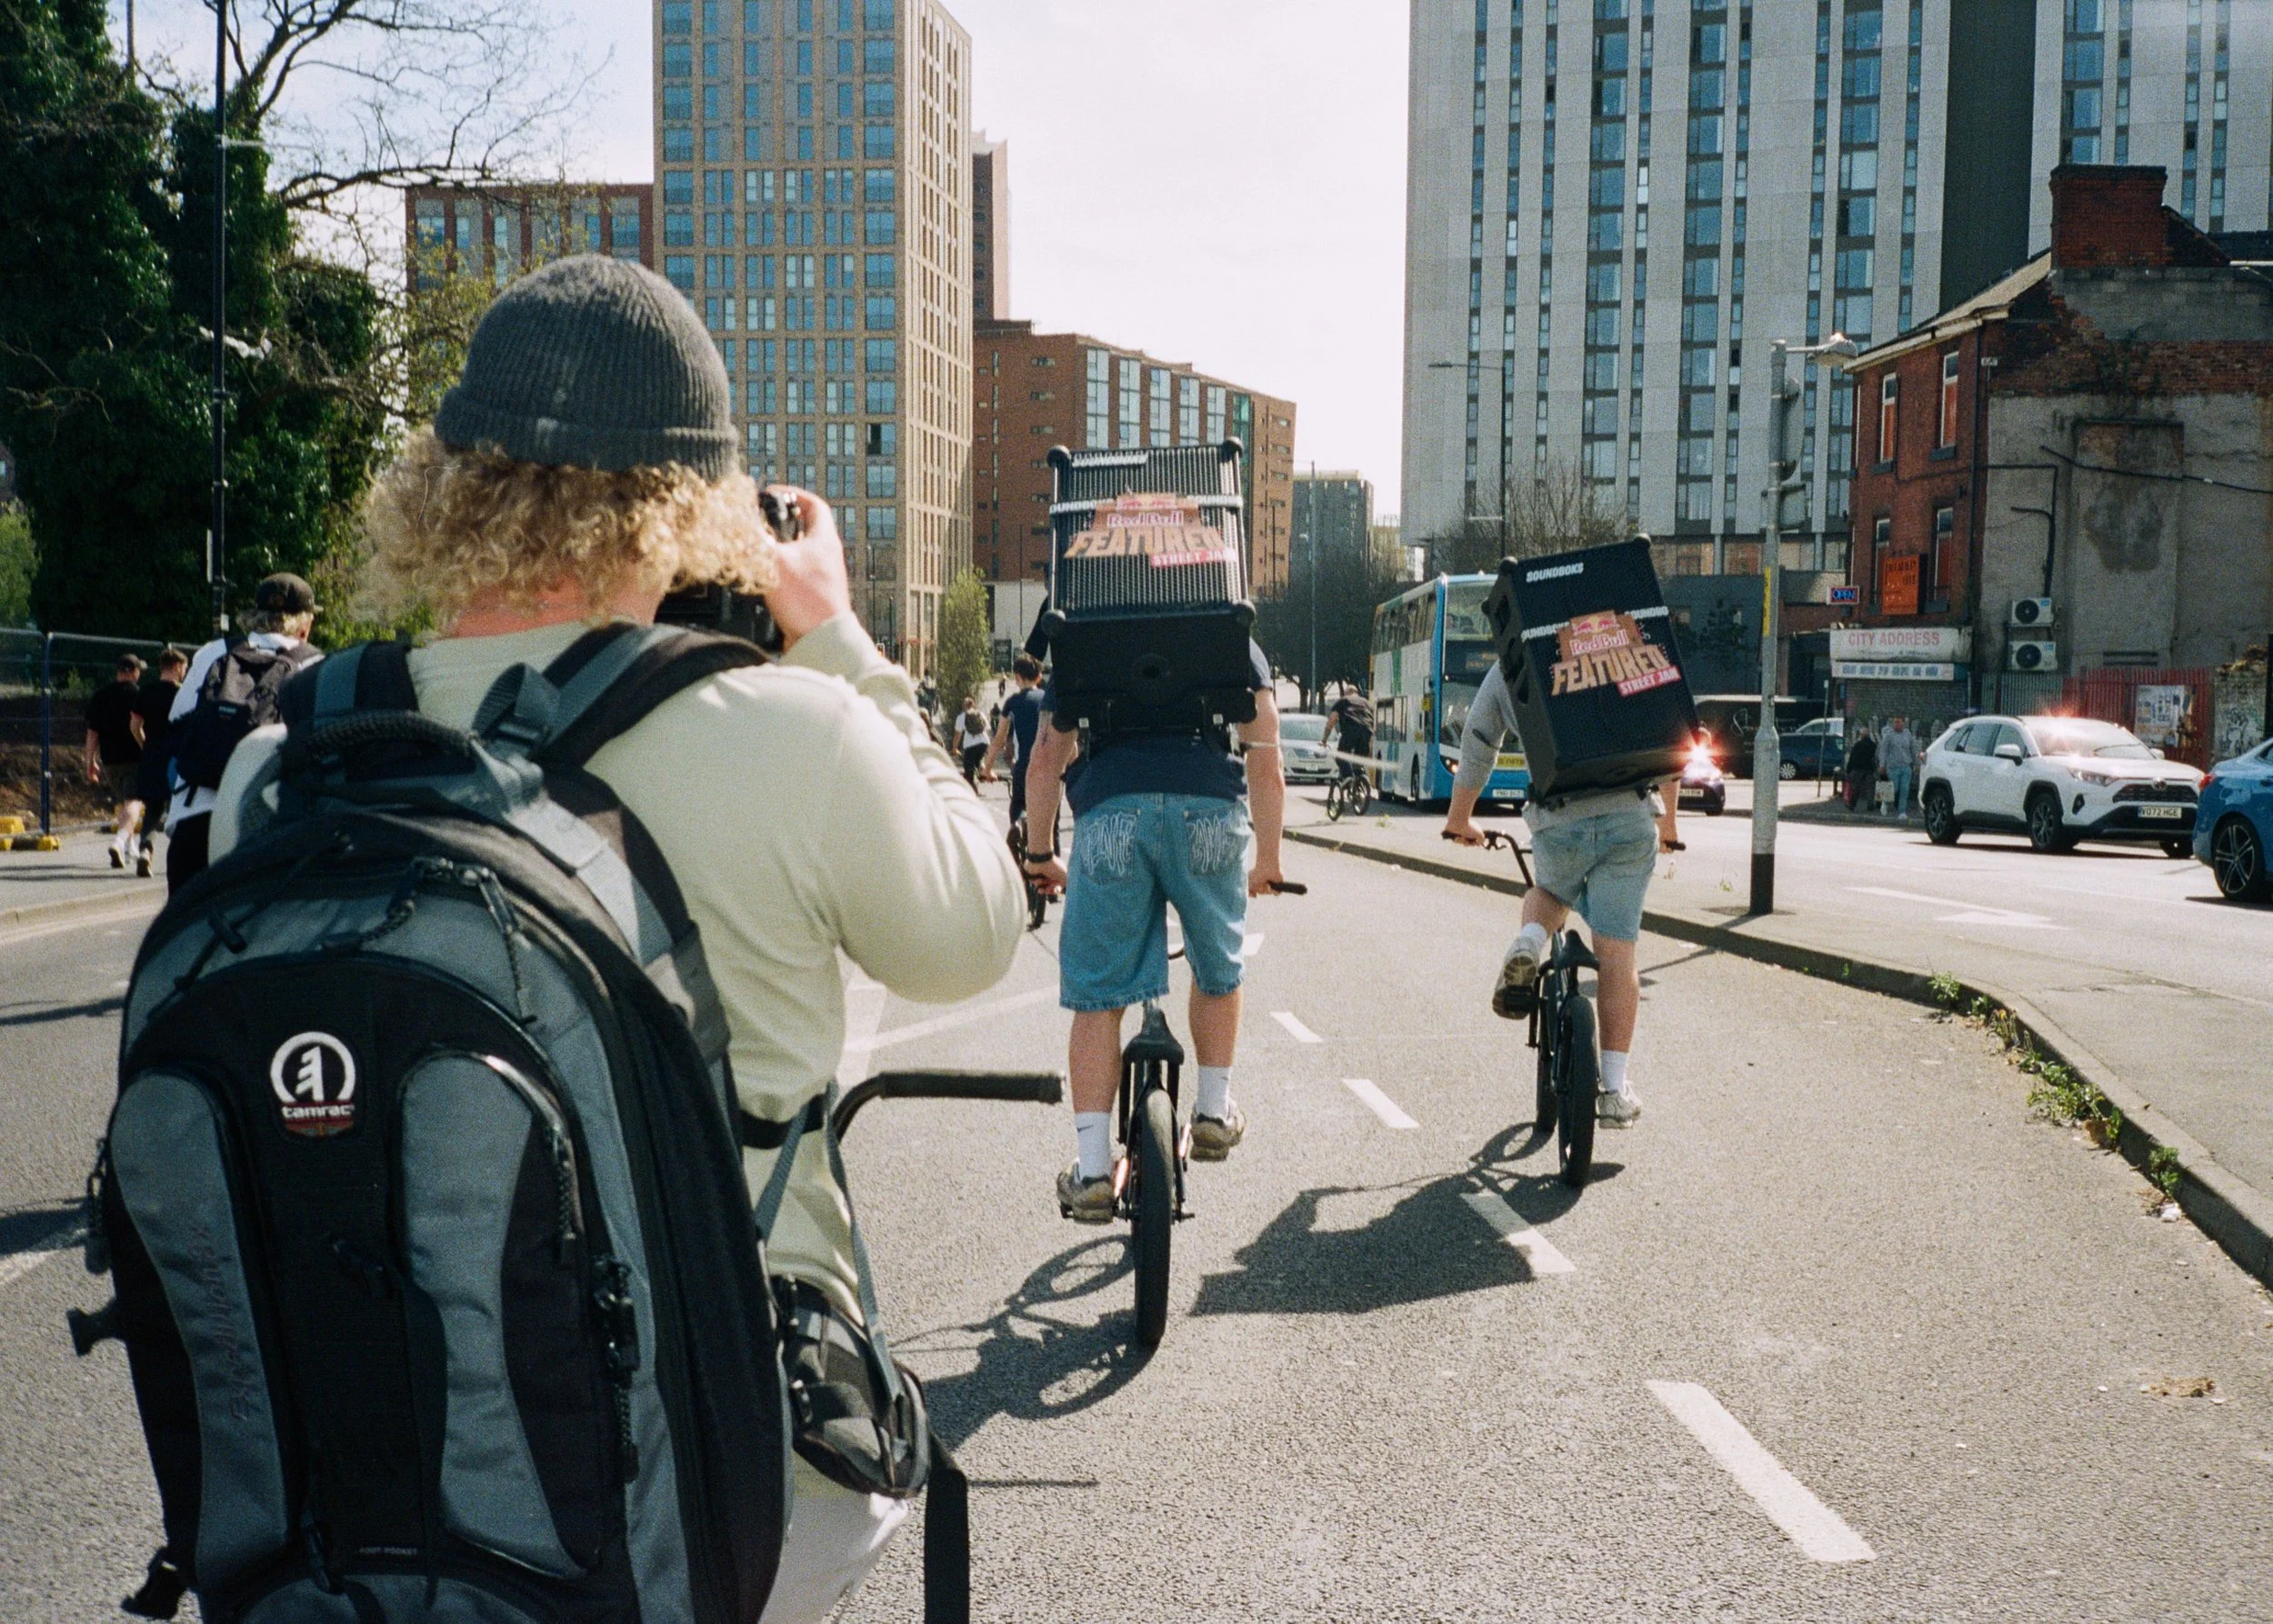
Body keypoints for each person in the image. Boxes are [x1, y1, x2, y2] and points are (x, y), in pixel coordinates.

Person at [210, 256, 1021, 1621]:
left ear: (444, 481)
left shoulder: (283, 766)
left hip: (363, 1490)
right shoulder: (792, 732)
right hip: (720, 1478)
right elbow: (973, 932)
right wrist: (836, 636)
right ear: (699, 502)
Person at [1021, 647, 1287, 1219]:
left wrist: (1041, 853)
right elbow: (1266, 760)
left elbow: (1046, 758)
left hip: (1111, 812)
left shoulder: (1088, 629)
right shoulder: (1231, 632)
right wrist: (1268, 858)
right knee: (1217, 964)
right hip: (1209, 813)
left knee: (1097, 996)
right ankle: (1213, 1112)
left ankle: (1092, 1171)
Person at [1442, 658, 1673, 1128]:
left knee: (1548, 891)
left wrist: (1460, 818)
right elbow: (1669, 728)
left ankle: (1529, 939)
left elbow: (1480, 736)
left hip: (1558, 815)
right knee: (1617, 952)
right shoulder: (1627, 636)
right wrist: (1668, 824)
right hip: (1627, 814)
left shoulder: (1517, 654)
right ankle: (1612, 1091)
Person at [165, 574, 324, 893]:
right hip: (263, 818)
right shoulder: (315, 664)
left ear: (253, 617)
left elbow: (178, 718)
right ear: (305, 625)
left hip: (195, 816)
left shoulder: (213, 652)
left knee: (185, 935)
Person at [82, 654, 145, 869]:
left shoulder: (101, 696)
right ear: (134, 671)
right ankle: (118, 842)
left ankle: (130, 847)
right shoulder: (139, 694)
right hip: (135, 757)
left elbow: (92, 734)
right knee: (134, 802)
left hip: (110, 760)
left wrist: (90, 761)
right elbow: (140, 725)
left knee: (125, 803)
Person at [128, 648, 187, 877]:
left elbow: (134, 725)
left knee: (152, 809)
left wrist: (145, 744)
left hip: (152, 754)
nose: (185, 672)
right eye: (184, 667)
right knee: (179, 808)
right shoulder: (182, 694)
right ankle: (180, 858)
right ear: (175, 667)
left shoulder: (146, 692)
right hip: (177, 757)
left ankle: (145, 849)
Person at [984, 653, 1047, 829]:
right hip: (1049, 767)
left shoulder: (1013, 703)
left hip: (1025, 766)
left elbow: (998, 740)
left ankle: (1016, 825)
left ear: (1017, 678)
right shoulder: (1049, 699)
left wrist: (987, 769)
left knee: (1018, 804)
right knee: (1051, 824)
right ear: (1039, 677)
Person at [1326, 683, 1375, 789]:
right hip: (1367, 731)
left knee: (1341, 756)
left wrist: (1324, 740)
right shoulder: (1367, 703)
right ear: (1357, 693)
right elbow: (1373, 721)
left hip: (1350, 730)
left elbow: (1331, 721)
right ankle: (1361, 779)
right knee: (1359, 760)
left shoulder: (1343, 701)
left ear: (1345, 693)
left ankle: (1348, 777)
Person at [1877, 714, 1918, 823]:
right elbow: (1883, 750)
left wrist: (1916, 763)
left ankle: (1901, 812)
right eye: (1895, 722)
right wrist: (1882, 764)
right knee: (1894, 789)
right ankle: (1885, 802)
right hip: (1893, 766)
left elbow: (1913, 749)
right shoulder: (1889, 735)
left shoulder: (1907, 734)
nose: (1896, 724)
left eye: (1899, 722)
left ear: (1903, 723)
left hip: (1906, 766)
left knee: (1904, 789)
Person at [953, 695, 990, 786]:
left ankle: (973, 788)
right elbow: (988, 728)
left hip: (970, 744)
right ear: (973, 705)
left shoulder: (961, 717)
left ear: (964, 706)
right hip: (984, 742)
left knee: (968, 766)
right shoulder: (980, 714)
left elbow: (958, 734)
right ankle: (982, 771)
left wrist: (954, 748)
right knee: (979, 760)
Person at [1842, 724, 1878, 813]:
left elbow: (1852, 759)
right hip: (1869, 769)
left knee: (1856, 788)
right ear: (1869, 735)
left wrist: (1848, 770)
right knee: (1870, 788)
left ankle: (1852, 804)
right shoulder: (1873, 745)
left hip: (1858, 769)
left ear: (1861, 735)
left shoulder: (1857, 745)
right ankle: (1870, 805)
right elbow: (1876, 758)